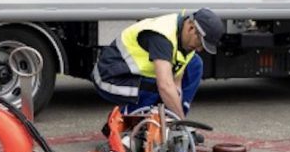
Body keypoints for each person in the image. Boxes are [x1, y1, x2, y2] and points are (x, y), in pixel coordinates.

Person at [91, 9, 225, 119]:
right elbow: (165, 86)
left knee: (195, 64)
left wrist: (175, 106)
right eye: (201, 42)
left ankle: (169, 121)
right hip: (110, 77)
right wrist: (182, 123)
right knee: (158, 89)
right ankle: (124, 121)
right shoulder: (162, 37)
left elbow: (177, 81)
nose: (200, 49)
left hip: (135, 76)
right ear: (190, 27)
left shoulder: (186, 39)